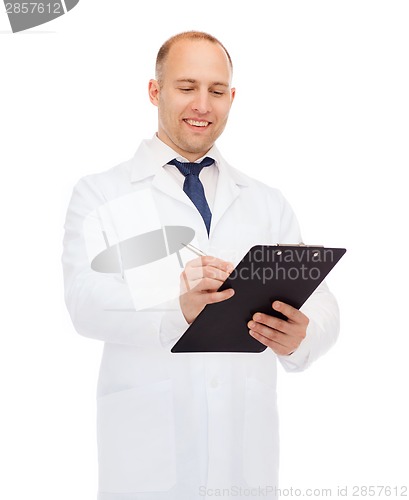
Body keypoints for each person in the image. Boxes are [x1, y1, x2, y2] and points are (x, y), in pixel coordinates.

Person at [62, 31, 340, 500]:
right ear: (155, 91)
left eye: (216, 91)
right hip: (148, 461)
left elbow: (323, 303)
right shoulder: (101, 194)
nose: (202, 105)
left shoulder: (266, 203)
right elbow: (84, 303)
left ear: (232, 98)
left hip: (244, 463)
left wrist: (302, 336)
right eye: (186, 86)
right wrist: (179, 309)